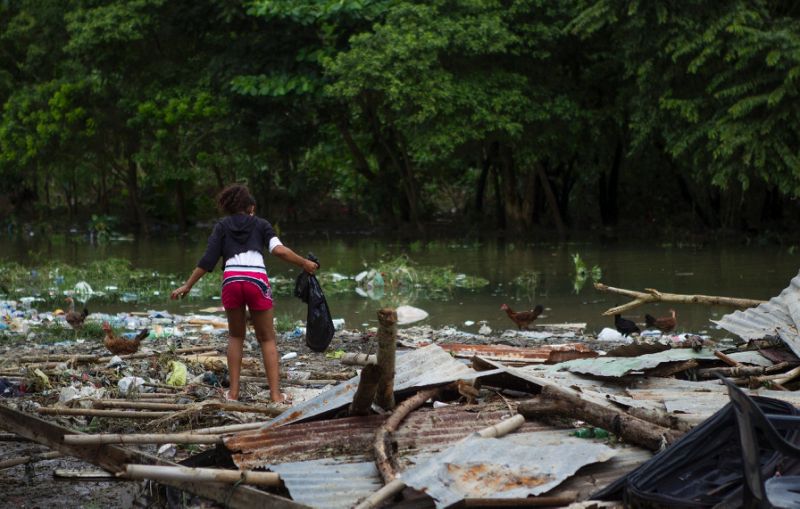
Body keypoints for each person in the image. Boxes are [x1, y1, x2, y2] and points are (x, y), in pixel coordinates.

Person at [170, 184, 318, 404]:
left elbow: (208, 260)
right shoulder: (261, 225)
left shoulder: (222, 226)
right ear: (251, 207)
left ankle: (233, 394)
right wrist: (304, 263)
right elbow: (279, 250)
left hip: (231, 281)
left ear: (229, 208)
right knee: (267, 338)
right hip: (256, 281)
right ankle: (276, 396)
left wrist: (187, 286)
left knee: (236, 336)